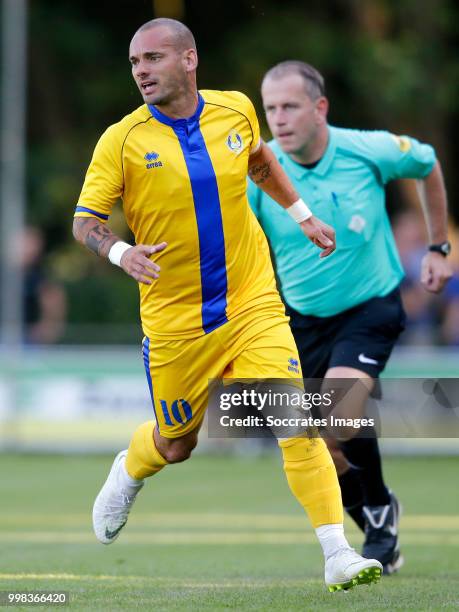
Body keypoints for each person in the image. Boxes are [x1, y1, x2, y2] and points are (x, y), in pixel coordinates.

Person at [73, 19, 383, 592]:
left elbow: (260, 161)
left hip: (252, 302)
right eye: (134, 61)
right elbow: (85, 220)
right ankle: (129, 469)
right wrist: (119, 252)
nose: (141, 70)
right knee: (177, 443)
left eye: (153, 58)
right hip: (176, 322)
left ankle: (337, 553)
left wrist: (301, 214)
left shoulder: (235, 110)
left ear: (189, 60)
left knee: (295, 422)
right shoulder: (122, 139)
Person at [248, 60, 452, 575]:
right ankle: (378, 516)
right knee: (316, 444)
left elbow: (426, 165)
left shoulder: (366, 150)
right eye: (270, 109)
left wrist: (438, 246)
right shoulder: (259, 173)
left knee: (337, 413)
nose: (279, 119)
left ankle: (378, 519)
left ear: (320, 108)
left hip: (371, 306)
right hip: (299, 321)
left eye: (290, 106)